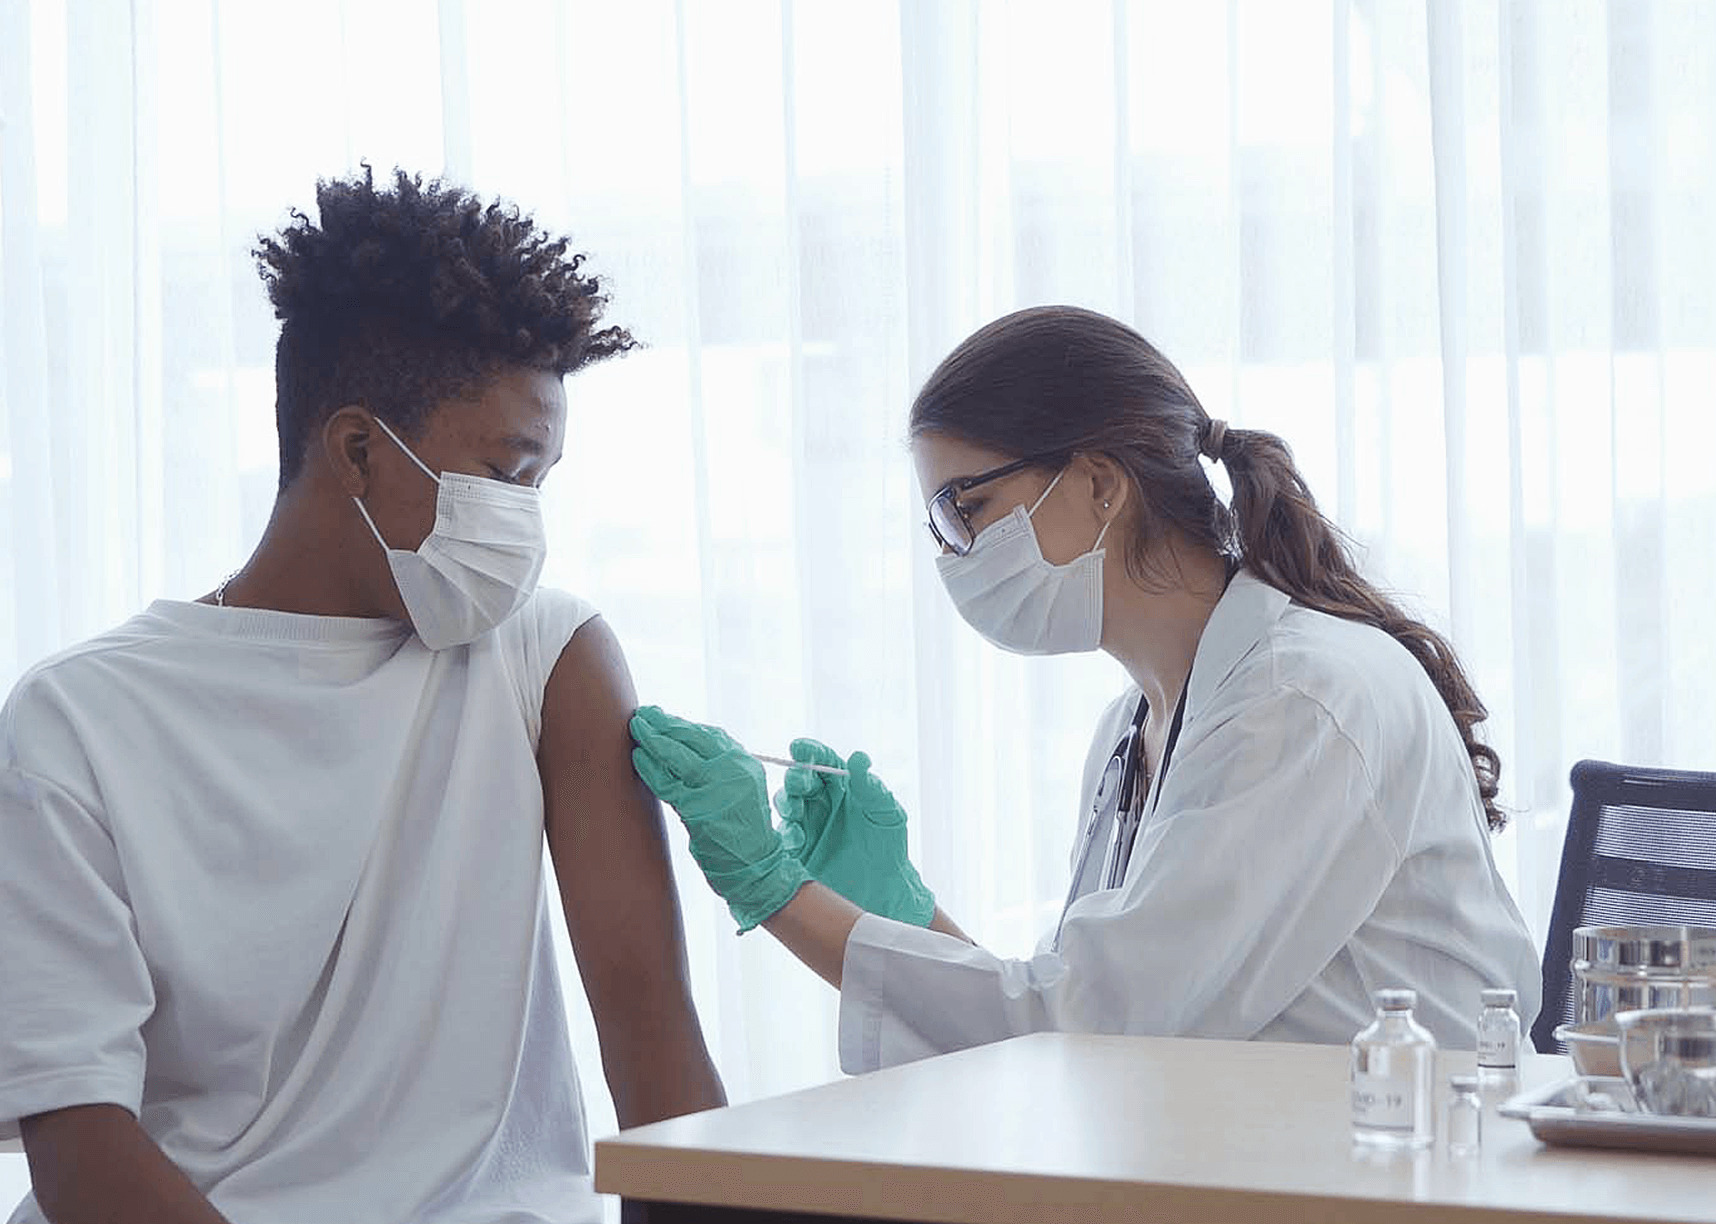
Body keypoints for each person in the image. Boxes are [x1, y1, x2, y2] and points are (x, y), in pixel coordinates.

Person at [0, 168, 725, 1224]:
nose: (525, 525)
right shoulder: (79, 719)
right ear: (359, 448)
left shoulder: (545, 657)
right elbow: (81, 1156)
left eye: (542, 480)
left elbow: (655, 1053)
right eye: (504, 474)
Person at [631, 304, 1541, 1074]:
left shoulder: (1300, 700)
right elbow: (1083, 1029)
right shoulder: (1138, 724)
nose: (952, 554)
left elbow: (1098, 1031)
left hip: (1405, 1194)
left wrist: (777, 890)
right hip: (1261, 1166)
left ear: (1100, 483)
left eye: (966, 509)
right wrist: (899, 913)